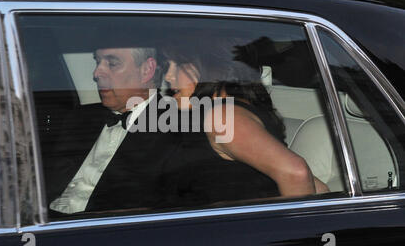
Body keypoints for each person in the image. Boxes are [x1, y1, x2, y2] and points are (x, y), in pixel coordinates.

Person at [160, 39, 329, 207]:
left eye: (179, 65)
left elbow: (297, 173)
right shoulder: (229, 112)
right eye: (168, 66)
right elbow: (317, 187)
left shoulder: (224, 116)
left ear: (209, 69)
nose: (168, 76)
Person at [47, 46, 181, 216]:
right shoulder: (79, 118)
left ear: (146, 70)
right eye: (97, 62)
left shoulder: (177, 130)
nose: (96, 73)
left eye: (112, 64)